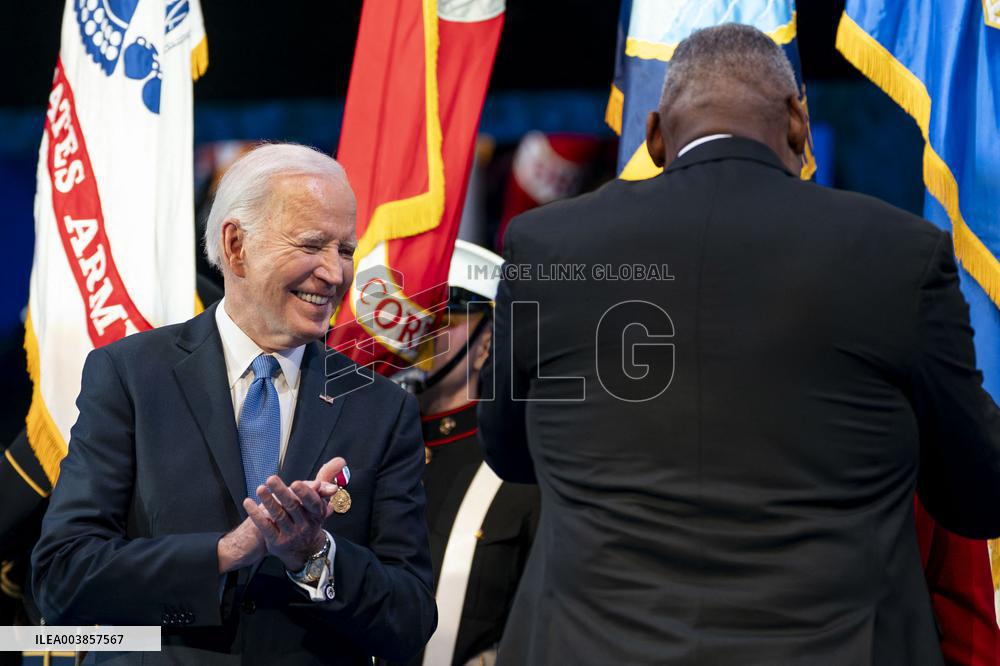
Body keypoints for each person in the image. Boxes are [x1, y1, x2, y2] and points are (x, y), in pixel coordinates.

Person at [478, 24, 1000, 665]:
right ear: (798, 121)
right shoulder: (901, 252)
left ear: (655, 136)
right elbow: (979, 491)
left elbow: (507, 450)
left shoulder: (543, 248)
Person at [31, 143, 437, 665]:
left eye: (344, 250)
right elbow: (62, 581)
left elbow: (410, 624)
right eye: (313, 245)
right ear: (236, 244)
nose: (335, 275)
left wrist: (314, 557)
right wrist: (225, 553)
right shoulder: (132, 376)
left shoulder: (380, 409)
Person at [396, 241, 540, 666]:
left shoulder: (520, 468)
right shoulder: (365, 447)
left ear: (487, 343)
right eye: (412, 311)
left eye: (442, 315)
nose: (419, 328)